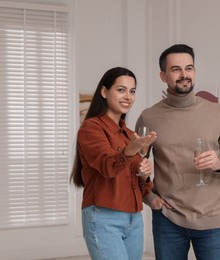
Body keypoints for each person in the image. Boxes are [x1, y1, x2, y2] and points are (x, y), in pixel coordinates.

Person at [136, 44, 220, 260]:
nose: (184, 75)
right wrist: (148, 197)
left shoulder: (218, 113)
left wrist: (219, 163)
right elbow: (134, 165)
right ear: (163, 75)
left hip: (212, 221)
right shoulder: (149, 117)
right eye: (176, 69)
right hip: (167, 220)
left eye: (189, 68)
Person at [70, 67, 157, 260]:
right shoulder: (91, 128)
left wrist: (145, 174)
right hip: (103, 217)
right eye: (121, 90)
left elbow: (135, 182)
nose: (128, 96)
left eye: (132, 91)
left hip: (134, 219)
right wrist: (133, 149)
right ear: (104, 92)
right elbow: (109, 167)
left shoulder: (128, 134)